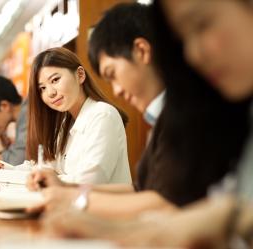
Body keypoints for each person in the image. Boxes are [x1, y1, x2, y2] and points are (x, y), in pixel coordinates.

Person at [43, 0, 253, 247]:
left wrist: (78, 200)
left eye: (202, 24)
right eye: (43, 88)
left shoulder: (108, 114)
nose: (194, 55)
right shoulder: (218, 109)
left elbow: (168, 203)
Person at [27, 47, 131, 184]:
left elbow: (92, 181)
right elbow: (45, 167)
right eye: (42, 88)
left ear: (80, 75)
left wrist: (49, 179)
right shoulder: (66, 122)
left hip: (104, 204)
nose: (50, 92)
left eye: (55, 80)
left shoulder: (103, 115)